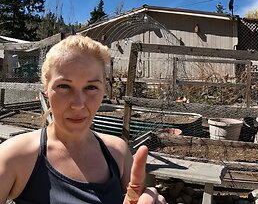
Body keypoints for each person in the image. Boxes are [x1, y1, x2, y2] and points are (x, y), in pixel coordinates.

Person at [0, 35, 166, 204]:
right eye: (64, 86)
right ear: (46, 91)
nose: (78, 104)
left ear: (104, 92)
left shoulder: (118, 152)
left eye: (91, 87)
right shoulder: (14, 156)